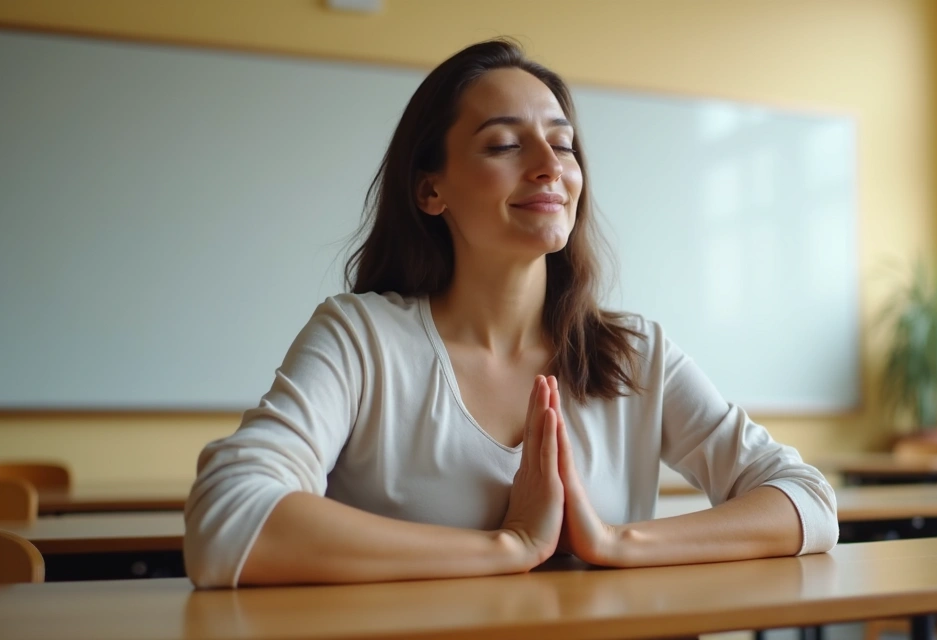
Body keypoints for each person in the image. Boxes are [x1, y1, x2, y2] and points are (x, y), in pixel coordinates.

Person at [183, 38, 838, 589]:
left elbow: (807, 499)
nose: (550, 166)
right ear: (430, 189)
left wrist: (616, 542)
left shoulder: (636, 354)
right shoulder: (361, 339)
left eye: (564, 143)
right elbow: (227, 519)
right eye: (504, 145)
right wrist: (511, 547)